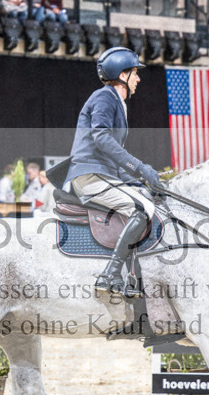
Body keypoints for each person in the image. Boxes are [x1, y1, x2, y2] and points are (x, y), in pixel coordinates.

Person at [63, 47, 159, 297]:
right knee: (141, 209)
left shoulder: (117, 102)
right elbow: (102, 139)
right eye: (135, 73)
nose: (138, 79)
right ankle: (111, 273)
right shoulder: (105, 97)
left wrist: (137, 182)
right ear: (122, 74)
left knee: (146, 199)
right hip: (90, 175)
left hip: (103, 173)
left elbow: (111, 158)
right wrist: (139, 169)